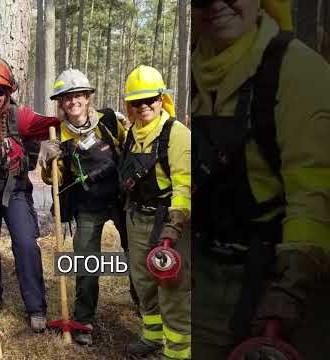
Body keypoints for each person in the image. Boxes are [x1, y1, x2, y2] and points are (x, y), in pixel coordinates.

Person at [191, 0, 330, 358]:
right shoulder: (197, 71)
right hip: (207, 278)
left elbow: (314, 190)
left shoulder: (297, 70)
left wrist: (291, 286)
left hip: (278, 279)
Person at [39, 68, 127, 346]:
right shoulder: (60, 136)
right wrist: (46, 160)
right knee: (87, 264)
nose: (73, 101)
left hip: (121, 201)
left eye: (78, 95)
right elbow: (55, 179)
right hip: (87, 206)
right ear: (61, 104)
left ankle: (146, 312)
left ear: (88, 98)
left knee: (136, 257)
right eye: (67, 98)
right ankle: (83, 321)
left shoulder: (110, 122)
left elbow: (130, 150)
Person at [119, 65, 191, 360]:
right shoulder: (131, 133)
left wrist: (175, 225)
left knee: (171, 286)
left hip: (167, 221)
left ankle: (177, 352)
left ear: (162, 99)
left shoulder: (176, 133)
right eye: (138, 102)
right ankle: (152, 336)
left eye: (151, 99)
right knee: (143, 281)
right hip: (136, 218)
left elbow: (184, 182)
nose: (145, 106)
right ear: (130, 106)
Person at [0, 56, 60, 332]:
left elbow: (57, 122)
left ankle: (36, 308)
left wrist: (48, 147)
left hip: (15, 191)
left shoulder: (21, 117)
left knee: (26, 245)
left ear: (8, 92)